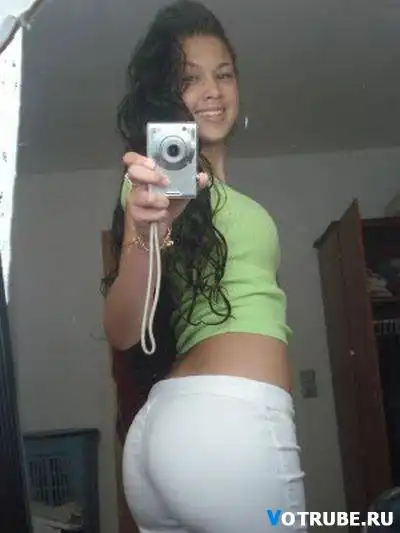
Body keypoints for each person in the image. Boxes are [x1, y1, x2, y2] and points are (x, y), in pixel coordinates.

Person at [102, 1, 307, 532]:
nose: (213, 91)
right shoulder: (156, 187)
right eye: (190, 79)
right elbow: (123, 331)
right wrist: (147, 234)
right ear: (167, 95)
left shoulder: (228, 198)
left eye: (224, 74)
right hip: (228, 421)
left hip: (172, 429)